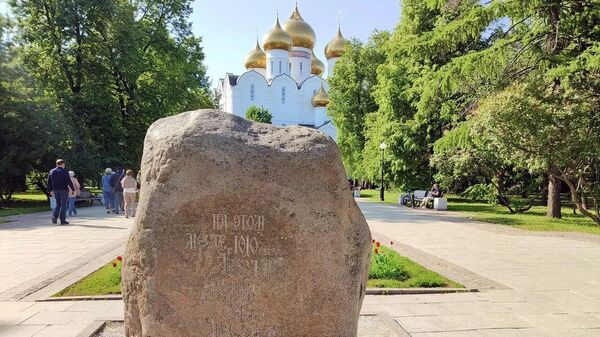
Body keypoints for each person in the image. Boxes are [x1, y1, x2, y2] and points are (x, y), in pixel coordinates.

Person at [47, 159, 75, 225]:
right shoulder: (64, 171)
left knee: (58, 204)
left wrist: (50, 190)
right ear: (63, 164)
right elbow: (69, 181)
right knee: (63, 205)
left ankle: (54, 217)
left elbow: (49, 181)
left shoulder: (52, 171)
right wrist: (73, 189)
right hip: (63, 190)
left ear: (57, 164)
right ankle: (62, 220)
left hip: (55, 190)